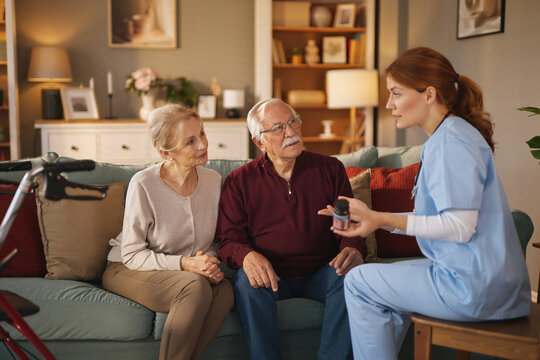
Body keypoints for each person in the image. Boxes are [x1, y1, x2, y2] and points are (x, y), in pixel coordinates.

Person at [318, 47, 531, 359]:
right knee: (385, 285)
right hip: (488, 283)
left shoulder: (450, 142)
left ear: (429, 94)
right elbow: (434, 218)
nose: (389, 104)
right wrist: (373, 220)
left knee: (360, 280)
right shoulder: (451, 135)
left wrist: (381, 218)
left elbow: (459, 227)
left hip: (476, 289)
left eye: (396, 93)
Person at [217, 98, 366, 360]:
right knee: (246, 281)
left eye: (293, 122)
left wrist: (352, 248)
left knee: (351, 277)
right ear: (259, 142)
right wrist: (247, 256)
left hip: (323, 270)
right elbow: (229, 241)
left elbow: (347, 223)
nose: (291, 132)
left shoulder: (331, 169)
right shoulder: (239, 181)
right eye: (278, 128)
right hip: (270, 274)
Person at [102, 104, 234, 360]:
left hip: (184, 273)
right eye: (190, 141)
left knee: (225, 290)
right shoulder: (144, 184)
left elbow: (212, 241)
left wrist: (208, 262)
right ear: (165, 152)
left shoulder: (213, 181)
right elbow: (131, 254)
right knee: (195, 287)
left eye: (203, 134)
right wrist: (186, 264)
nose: (203, 144)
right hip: (126, 268)